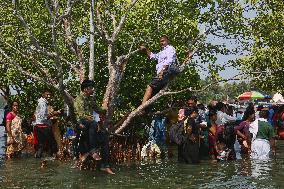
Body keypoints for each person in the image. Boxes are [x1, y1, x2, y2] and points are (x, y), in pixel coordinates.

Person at [74, 79, 114, 174]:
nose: (93, 89)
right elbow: (80, 115)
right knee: (93, 123)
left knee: (104, 137)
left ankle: (105, 165)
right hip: (81, 122)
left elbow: (99, 110)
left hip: (91, 123)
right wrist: (91, 119)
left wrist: (105, 108)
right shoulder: (79, 99)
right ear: (85, 89)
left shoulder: (91, 99)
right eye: (91, 88)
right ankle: (92, 150)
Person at [140, 35, 177, 104]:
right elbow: (153, 56)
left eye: (163, 41)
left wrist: (162, 72)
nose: (161, 43)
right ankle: (145, 110)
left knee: (150, 87)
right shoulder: (162, 52)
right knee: (152, 94)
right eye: (160, 42)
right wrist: (146, 49)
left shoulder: (170, 48)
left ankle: (141, 107)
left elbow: (169, 61)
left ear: (167, 41)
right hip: (163, 73)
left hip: (166, 72)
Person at [34, 89, 59, 158]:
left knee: (41, 145)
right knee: (53, 143)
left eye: (50, 95)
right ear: (43, 94)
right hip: (43, 126)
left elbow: (38, 115)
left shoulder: (40, 102)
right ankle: (56, 159)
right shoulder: (43, 103)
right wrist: (54, 113)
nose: (49, 96)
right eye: (47, 94)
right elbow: (44, 117)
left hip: (38, 125)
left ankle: (38, 159)